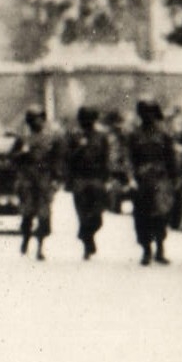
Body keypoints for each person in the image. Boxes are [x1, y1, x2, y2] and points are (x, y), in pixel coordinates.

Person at [127, 99, 178, 266]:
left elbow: (171, 158)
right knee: (142, 217)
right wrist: (131, 178)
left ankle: (160, 249)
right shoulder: (134, 135)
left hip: (160, 180)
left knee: (161, 215)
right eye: (144, 113)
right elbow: (129, 159)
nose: (147, 116)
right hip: (142, 181)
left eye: (150, 112)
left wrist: (175, 178)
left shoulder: (164, 134)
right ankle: (146, 249)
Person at [12, 108, 62, 260]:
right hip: (27, 179)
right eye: (34, 119)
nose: (38, 122)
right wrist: (22, 153)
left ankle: (40, 247)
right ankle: (26, 238)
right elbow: (12, 158)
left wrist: (56, 179)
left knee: (44, 215)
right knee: (27, 214)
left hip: (44, 180)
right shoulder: (22, 139)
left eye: (40, 118)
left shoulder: (51, 138)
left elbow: (57, 159)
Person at [63, 106, 112, 260]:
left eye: (90, 119)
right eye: (85, 119)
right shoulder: (73, 136)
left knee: (97, 217)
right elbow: (66, 158)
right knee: (83, 214)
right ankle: (87, 244)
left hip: (96, 178)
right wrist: (79, 148)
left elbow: (106, 158)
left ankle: (85, 234)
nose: (88, 122)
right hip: (80, 178)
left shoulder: (101, 137)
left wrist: (107, 178)